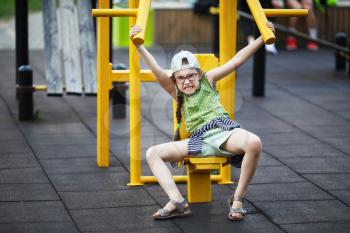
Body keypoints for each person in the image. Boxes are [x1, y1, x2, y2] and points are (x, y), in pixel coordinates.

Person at [129, 21, 275, 221]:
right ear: (175, 80)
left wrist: (261, 38)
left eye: (191, 76)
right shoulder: (176, 91)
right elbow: (157, 71)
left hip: (224, 133)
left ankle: (238, 199)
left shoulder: (209, 79)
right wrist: (138, 45)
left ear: (199, 74)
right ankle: (177, 201)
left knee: (254, 142)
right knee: (152, 153)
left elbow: (236, 60)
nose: (187, 81)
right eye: (181, 78)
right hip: (199, 141)